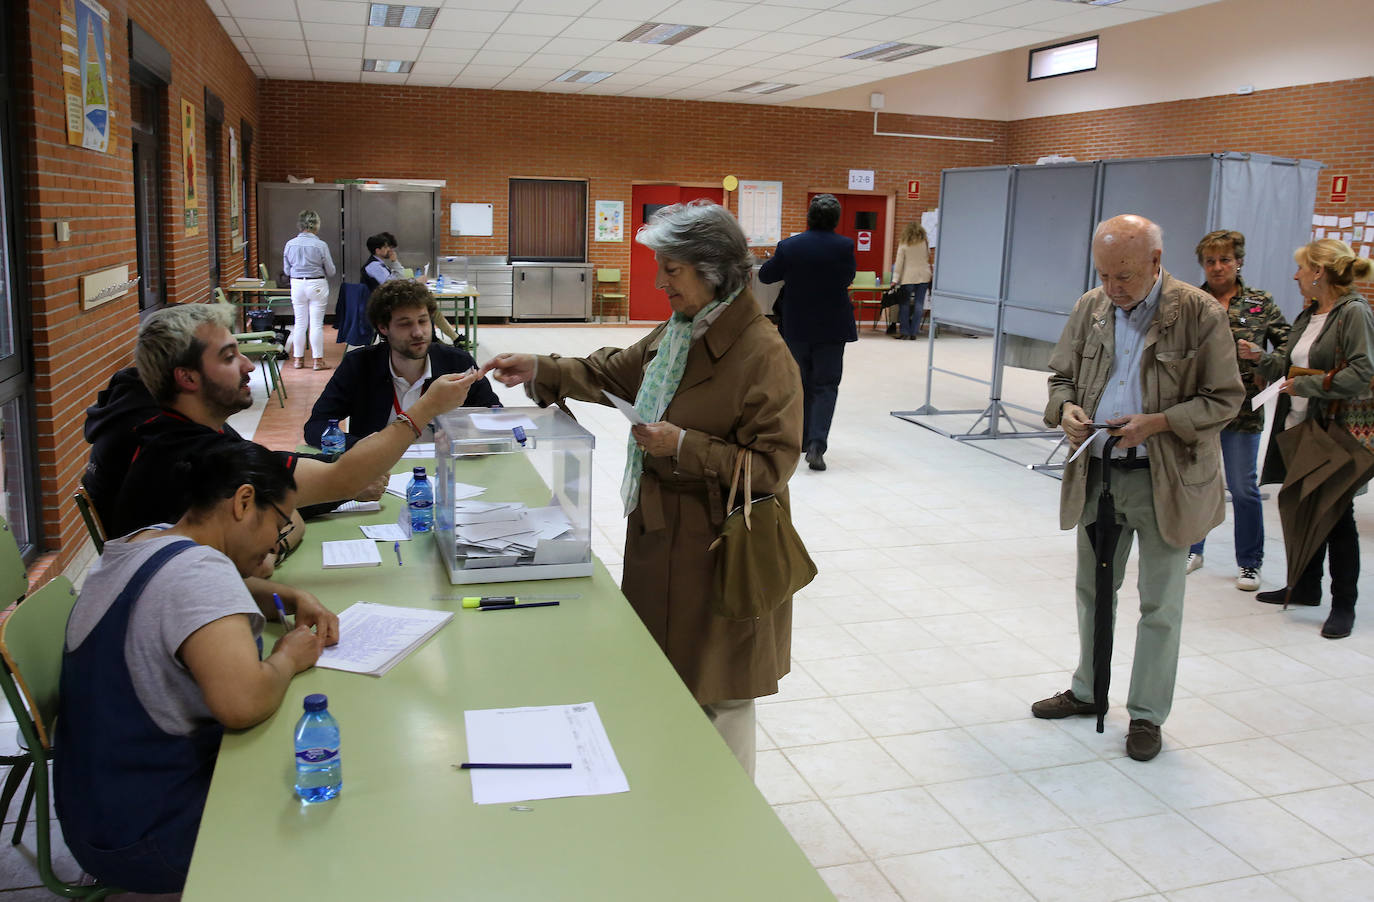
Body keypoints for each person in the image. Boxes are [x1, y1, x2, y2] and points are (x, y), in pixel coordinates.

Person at [482, 201, 803, 776]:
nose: (660, 283)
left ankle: (722, 812)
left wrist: (684, 446)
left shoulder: (762, 353)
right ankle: (670, 783)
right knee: (664, 671)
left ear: (713, 270)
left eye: (672, 270)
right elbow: (609, 371)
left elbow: (772, 466)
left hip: (721, 545)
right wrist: (540, 367)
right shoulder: (678, 334)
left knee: (720, 687)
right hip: (663, 536)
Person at [56, 441, 335, 894]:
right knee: (323, 804)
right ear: (244, 502)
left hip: (96, 815)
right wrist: (288, 656)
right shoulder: (201, 574)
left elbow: (218, 589)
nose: (274, 544)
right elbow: (243, 704)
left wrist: (291, 596)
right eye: (280, 525)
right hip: (151, 835)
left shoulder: (150, 538)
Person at [1032, 214, 1243, 762]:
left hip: (1165, 481)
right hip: (1099, 475)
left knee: (1161, 603)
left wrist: (1159, 422)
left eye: (1123, 275)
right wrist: (1066, 410)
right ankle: (1087, 690)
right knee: (1092, 592)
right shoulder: (1090, 307)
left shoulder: (1198, 313)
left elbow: (1225, 399)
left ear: (1155, 261)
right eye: (1104, 274)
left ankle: (1146, 715)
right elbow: (1059, 378)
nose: (1112, 287)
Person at [99, 302, 480, 538]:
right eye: (230, 357)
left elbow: (278, 499)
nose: (249, 365)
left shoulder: (178, 431)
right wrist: (425, 409)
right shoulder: (193, 456)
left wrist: (283, 522)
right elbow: (342, 478)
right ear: (188, 378)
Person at [1243, 239, 1374, 639]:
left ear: (1318, 272)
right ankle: (1305, 586)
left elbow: (1362, 371)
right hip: (1301, 428)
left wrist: (1309, 386)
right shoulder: (1310, 314)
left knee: (1336, 517)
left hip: (1337, 432)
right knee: (1303, 504)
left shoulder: (1353, 313)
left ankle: (1344, 604)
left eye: (1300, 268)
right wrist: (1258, 357)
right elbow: (1290, 365)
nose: (1295, 275)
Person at [1184, 230, 1289, 590]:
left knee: (1243, 488)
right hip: (1198, 407)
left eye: (1224, 259)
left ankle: (1249, 562)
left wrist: (1264, 361)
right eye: (1210, 261)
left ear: (1239, 262)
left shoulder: (1261, 303)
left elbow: (1290, 349)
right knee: (1199, 482)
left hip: (1243, 410)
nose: (1217, 267)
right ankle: (1192, 548)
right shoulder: (1190, 301)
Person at [304, 279, 501, 450]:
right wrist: (356, 445)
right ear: (383, 327)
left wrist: (476, 440)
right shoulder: (358, 366)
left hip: (446, 470)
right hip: (378, 474)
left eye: (423, 322)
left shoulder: (458, 362)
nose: (418, 332)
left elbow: (496, 416)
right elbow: (316, 426)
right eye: (405, 324)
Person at [758, 193, 856, 472]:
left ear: (809, 217)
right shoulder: (844, 246)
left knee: (796, 383)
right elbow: (847, 278)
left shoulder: (790, 246)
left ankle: (797, 439)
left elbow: (766, 275)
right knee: (825, 385)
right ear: (835, 220)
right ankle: (816, 444)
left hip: (797, 326)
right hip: (833, 327)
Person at [282, 208, 336, 370]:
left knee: (299, 323)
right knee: (316, 324)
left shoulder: (290, 244)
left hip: (297, 284)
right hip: (317, 285)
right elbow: (331, 271)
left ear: (300, 225)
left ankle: (298, 360)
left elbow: (286, 270)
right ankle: (317, 361)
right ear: (316, 225)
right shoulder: (320, 245)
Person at [892, 221, 932, 340]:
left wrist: (895, 279)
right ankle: (914, 332)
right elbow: (928, 255)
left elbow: (899, 263)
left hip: (908, 277)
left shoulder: (904, 243)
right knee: (919, 304)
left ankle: (905, 331)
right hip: (924, 276)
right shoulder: (924, 242)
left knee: (904, 305)